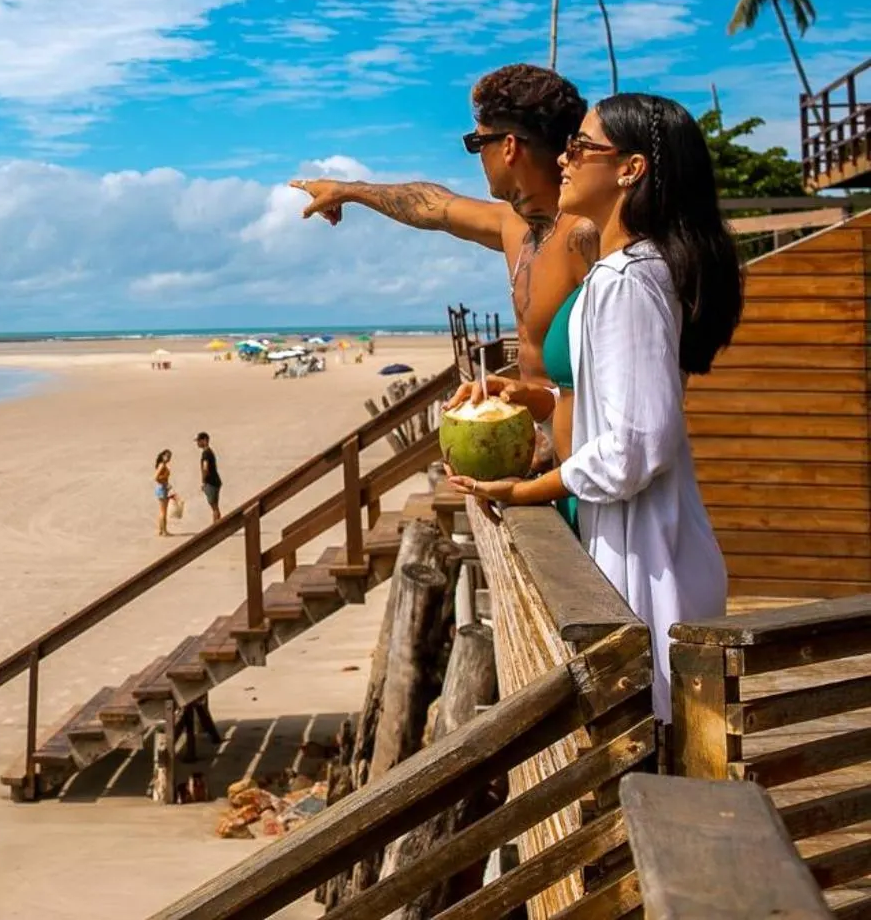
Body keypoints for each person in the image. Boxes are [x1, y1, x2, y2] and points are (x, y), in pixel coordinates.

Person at [444, 94, 741, 723]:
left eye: (582, 146)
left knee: (652, 747)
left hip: (647, 562)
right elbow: (621, 408)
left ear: (630, 170)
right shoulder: (637, 269)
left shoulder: (626, 280)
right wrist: (532, 396)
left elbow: (636, 446)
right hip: (656, 545)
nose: (566, 159)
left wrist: (526, 492)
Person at [291, 64, 597, 466]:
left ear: (508, 147)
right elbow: (433, 206)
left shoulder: (587, 234)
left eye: (476, 142)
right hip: (536, 456)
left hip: (587, 469)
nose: (478, 157)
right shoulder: (514, 224)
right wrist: (349, 191)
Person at [196, 432, 222, 525]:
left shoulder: (206, 453)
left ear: (204, 440)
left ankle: (216, 525)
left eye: (199, 441)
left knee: (214, 506)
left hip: (211, 482)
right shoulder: (208, 451)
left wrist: (203, 481)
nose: (197, 443)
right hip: (214, 482)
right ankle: (217, 524)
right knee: (215, 506)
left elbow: (205, 468)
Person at [153, 449, 175, 537]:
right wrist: (165, 483)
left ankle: (160, 530)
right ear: (163, 456)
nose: (169, 458)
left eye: (170, 457)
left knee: (161, 511)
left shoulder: (161, 464)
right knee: (163, 512)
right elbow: (156, 478)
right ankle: (164, 531)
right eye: (167, 456)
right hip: (162, 488)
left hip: (161, 488)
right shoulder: (162, 465)